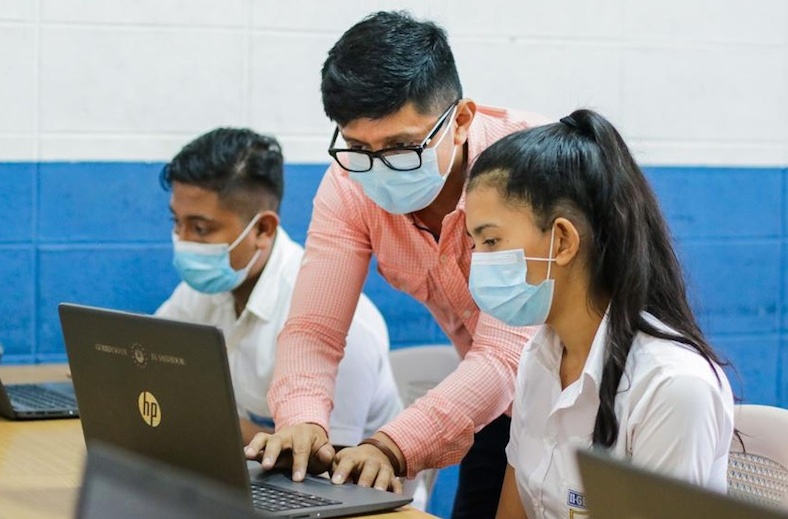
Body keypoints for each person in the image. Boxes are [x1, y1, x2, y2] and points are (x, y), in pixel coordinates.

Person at [244, 10, 549, 519]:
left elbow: (505, 354)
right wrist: (302, 422)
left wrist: (390, 446)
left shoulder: (527, 167)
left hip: (600, 399)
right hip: (500, 406)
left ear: (461, 120)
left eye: (402, 147)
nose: (378, 167)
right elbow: (314, 330)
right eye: (358, 146)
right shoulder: (350, 182)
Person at [461, 108, 735, 519]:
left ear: (562, 241)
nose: (477, 262)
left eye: (491, 241)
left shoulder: (673, 387)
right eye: (474, 244)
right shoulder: (539, 357)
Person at [155, 127, 405, 456]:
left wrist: (210, 422)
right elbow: (151, 369)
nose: (184, 241)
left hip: (345, 484)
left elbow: (326, 463)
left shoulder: (345, 324)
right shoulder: (200, 291)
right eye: (177, 223)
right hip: (246, 473)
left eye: (201, 228)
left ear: (263, 229)